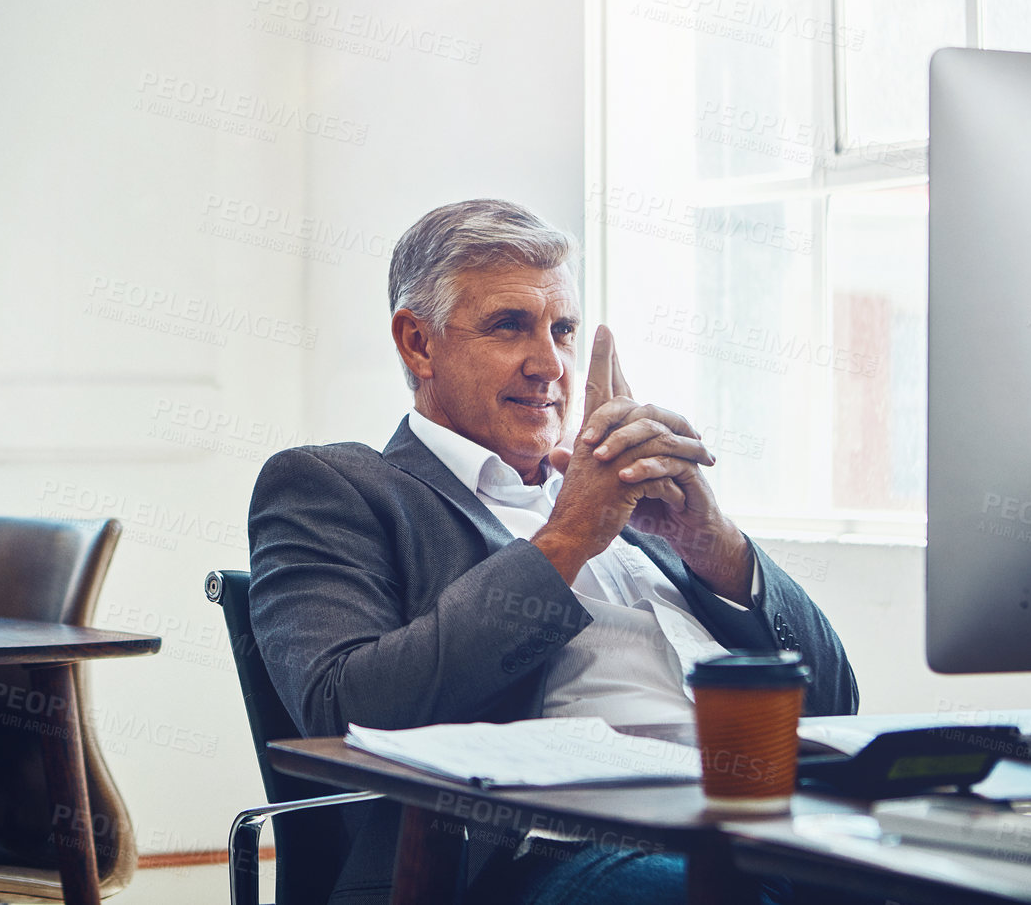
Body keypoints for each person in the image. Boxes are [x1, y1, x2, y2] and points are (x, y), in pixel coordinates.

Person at [247, 198, 857, 904]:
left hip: (762, 817)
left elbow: (836, 704)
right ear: (418, 343)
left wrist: (714, 545)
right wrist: (567, 539)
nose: (550, 364)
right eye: (511, 326)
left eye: (563, 330)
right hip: (546, 854)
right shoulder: (337, 487)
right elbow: (345, 708)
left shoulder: (633, 510)